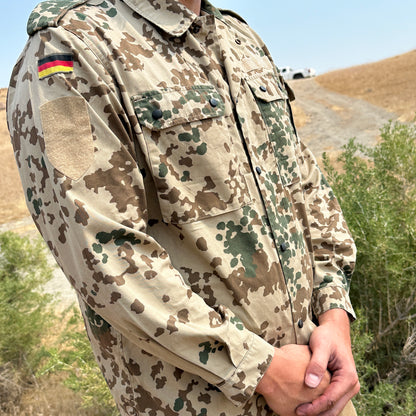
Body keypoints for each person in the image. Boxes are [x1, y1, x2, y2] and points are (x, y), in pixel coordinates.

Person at [7, 0, 360, 415]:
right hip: (205, 403)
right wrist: (256, 367)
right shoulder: (69, 49)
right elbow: (100, 250)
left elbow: (302, 182)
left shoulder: (236, 37)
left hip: (318, 390)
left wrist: (334, 313)